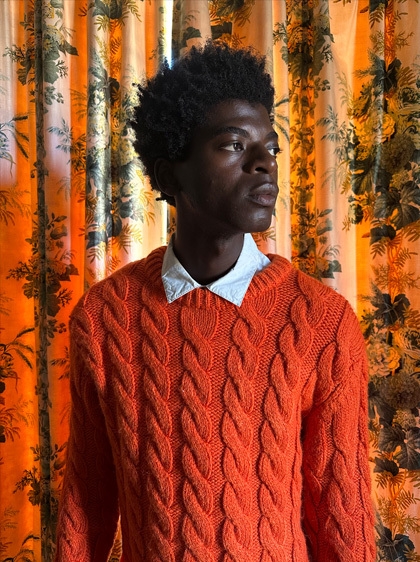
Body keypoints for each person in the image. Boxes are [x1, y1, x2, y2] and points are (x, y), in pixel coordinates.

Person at [55, 42, 376, 561]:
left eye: (270, 147)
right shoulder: (103, 318)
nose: (263, 164)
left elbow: (342, 516)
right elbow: (87, 504)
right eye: (232, 144)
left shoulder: (322, 323)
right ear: (167, 175)